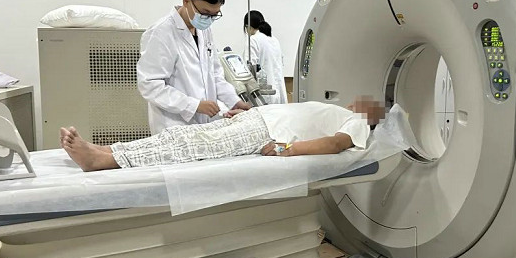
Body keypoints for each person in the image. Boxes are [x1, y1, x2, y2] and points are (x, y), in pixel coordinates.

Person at [60, 98, 386, 172]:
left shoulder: (358, 122)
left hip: (266, 133)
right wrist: (251, 111)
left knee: (190, 145)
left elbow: (335, 144)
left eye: (369, 104)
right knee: (179, 135)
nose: (359, 101)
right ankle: (108, 150)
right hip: (257, 118)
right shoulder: (336, 109)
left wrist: (286, 148)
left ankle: (104, 162)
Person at [137, 0, 251, 134]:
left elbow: (215, 74)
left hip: (205, 124)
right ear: (186, 1)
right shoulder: (161, 33)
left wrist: (233, 101)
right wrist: (193, 105)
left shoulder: (204, 31)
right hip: (174, 125)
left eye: (214, 15)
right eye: (205, 13)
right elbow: (149, 85)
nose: (208, 19)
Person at [243, 12, 287, 104]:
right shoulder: (274, 39)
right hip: (279, 92)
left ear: (248, 26)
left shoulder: (253, 40)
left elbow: (249, 68)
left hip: (264, 95)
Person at [255, 22, 288, 104]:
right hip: (277, 87)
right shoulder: (275, 40)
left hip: (266, 89)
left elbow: (251, 65)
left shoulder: (254, 39)